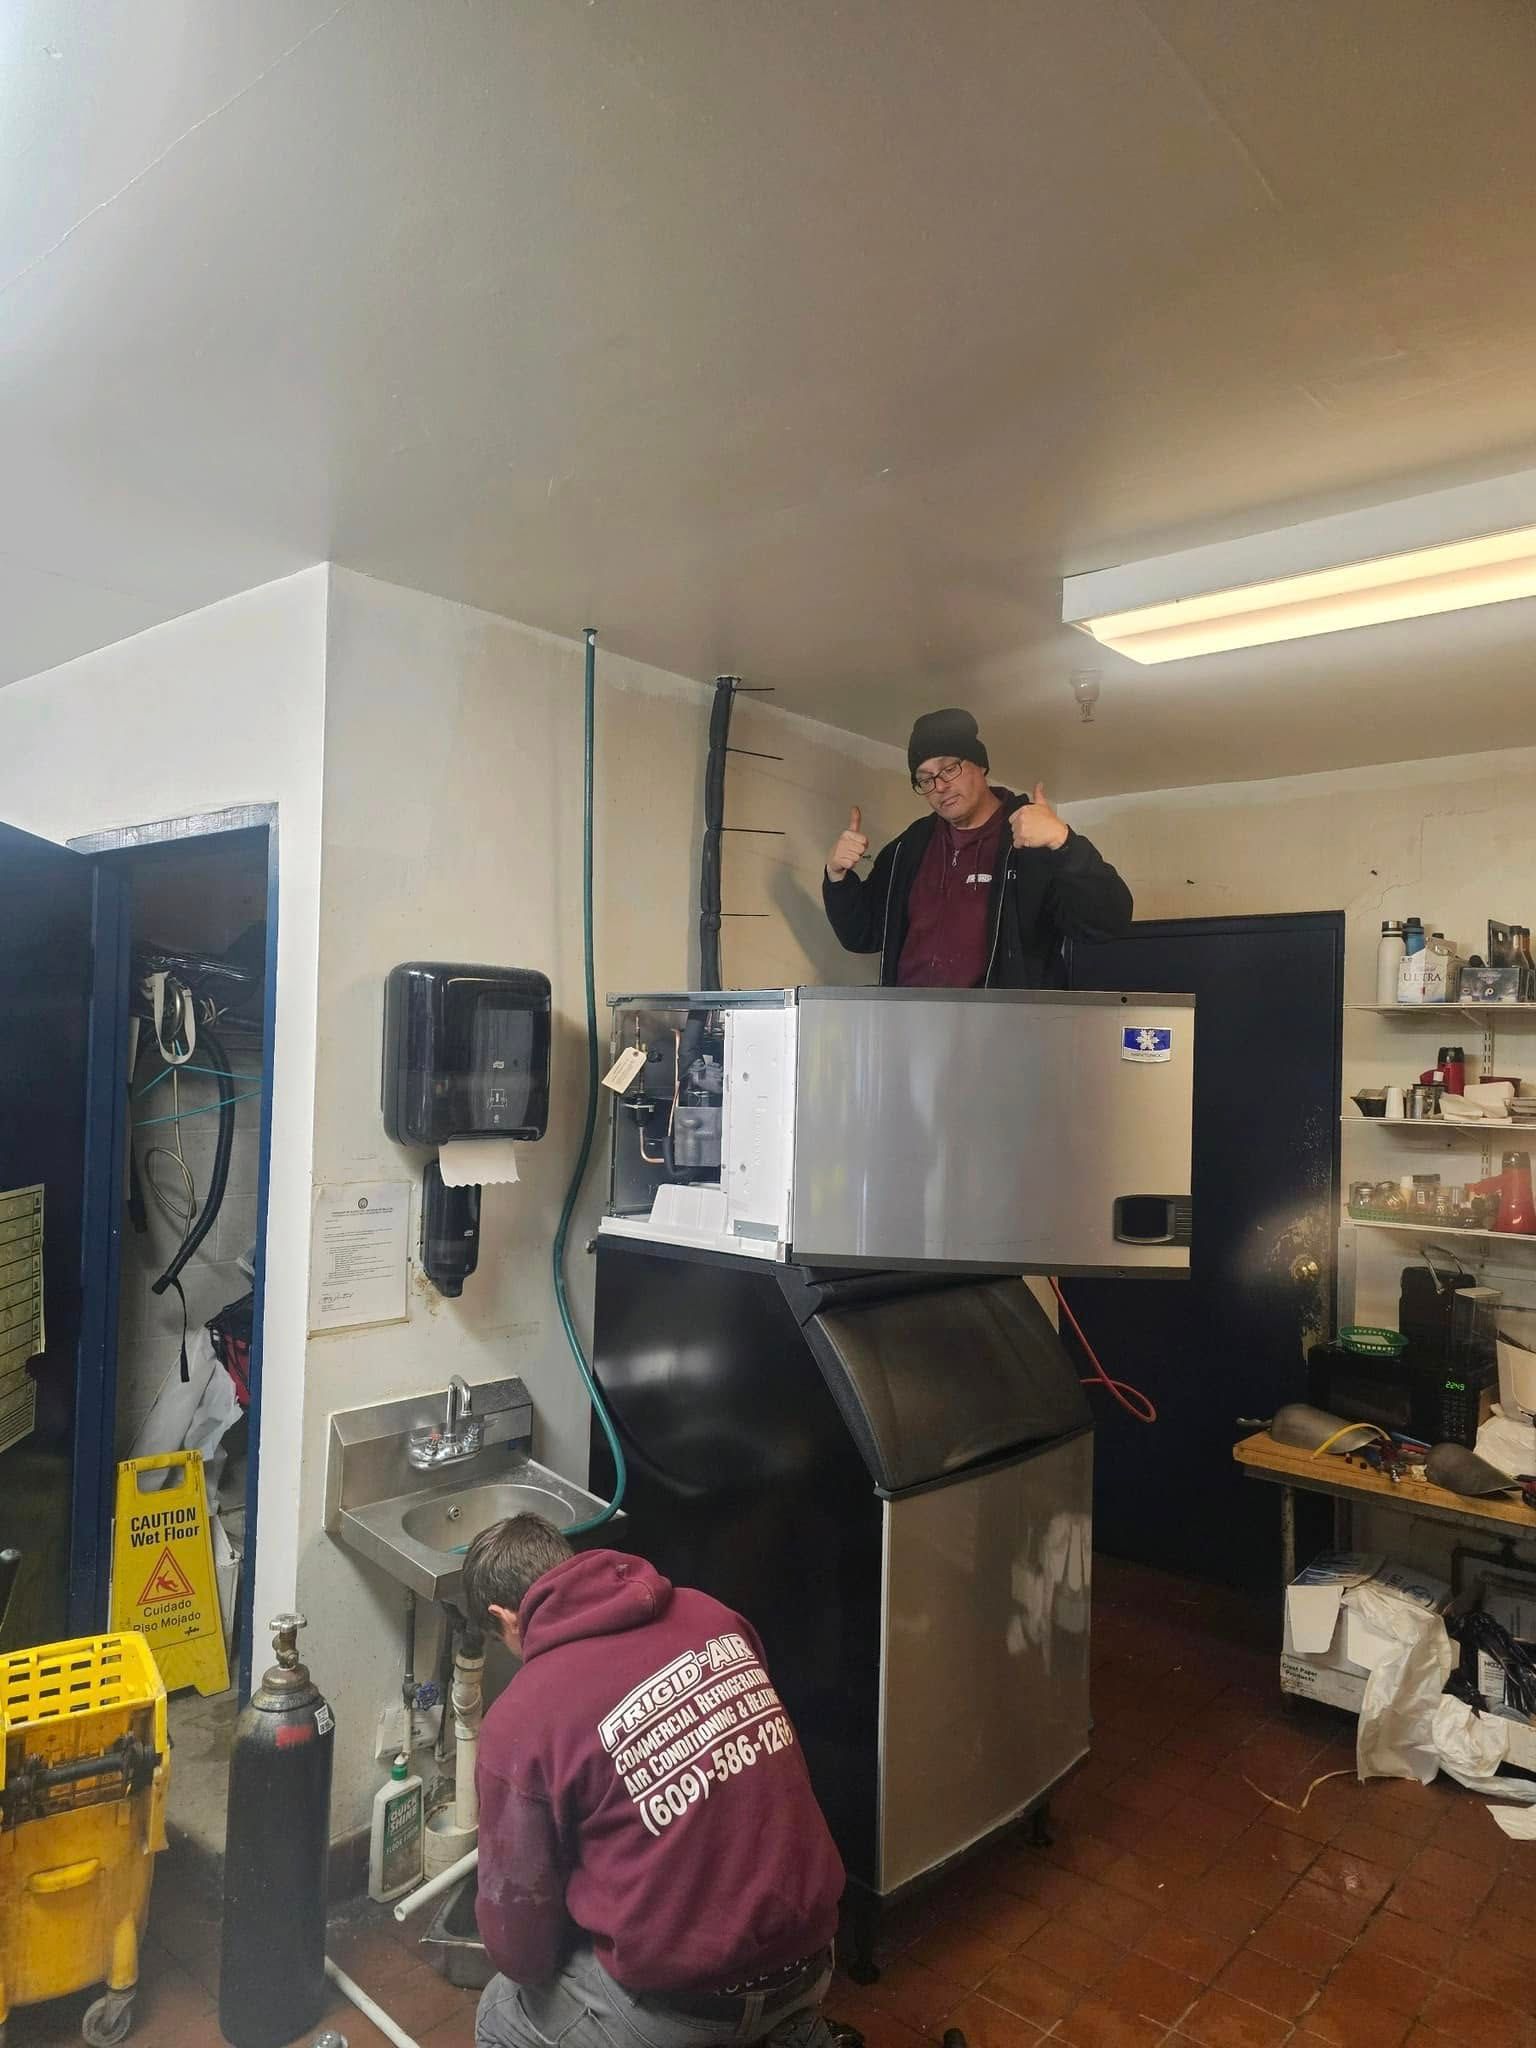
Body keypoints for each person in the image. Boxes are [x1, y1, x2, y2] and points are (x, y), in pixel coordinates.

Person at [463, 1515, 846, 2048]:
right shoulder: (710, 1613)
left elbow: (519, 1951)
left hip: (686, 2009)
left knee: (501, 2012)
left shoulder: (521, 1720)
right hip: (811, 1958)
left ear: (503, 1617)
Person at [822, 706, 1132, 987]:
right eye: (925, 779)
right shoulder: (910, 846)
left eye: (949, 768)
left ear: (980, 765)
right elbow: (863, 935)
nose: (940, 786)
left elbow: (1107, 922)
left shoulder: (1030, 842)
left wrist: (1064, 843)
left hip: (1005, 1033)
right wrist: (837, 877)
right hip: (912, 1027)